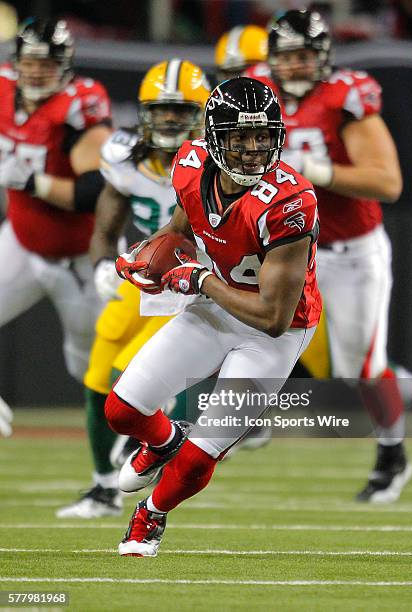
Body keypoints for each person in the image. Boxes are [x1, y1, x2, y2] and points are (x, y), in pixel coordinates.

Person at [104, 76, 321, 557]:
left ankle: (151, 515)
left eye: (262, 137)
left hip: (277, 332)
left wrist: (199, 280)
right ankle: (162, 442)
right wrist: (149, 254)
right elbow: (183, 227)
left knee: (203, 452)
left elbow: (272, 319)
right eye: (240, 138)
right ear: (214, 138)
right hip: (215, 308)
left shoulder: (289, 202)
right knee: (121, 410)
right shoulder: (189, 164)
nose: (251, 149)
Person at [245, 8, 412, 502]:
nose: (295, 66)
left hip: (349, 251)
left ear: (322, 57)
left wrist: (323, 170)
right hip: (288, 249)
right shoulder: (257, 91)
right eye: (287, 56)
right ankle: (237, 426)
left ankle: (392, 451)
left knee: (357, 371)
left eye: (304, 55)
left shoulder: (345, 98)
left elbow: (389, 182)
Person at [56, 59, 211, 519]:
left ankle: (159, 449)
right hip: (142, 277)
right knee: (98, 372)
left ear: (202, 115)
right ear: (143, 112)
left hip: (190, 281)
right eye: (160, 110)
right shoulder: (124, 156)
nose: (169, 119)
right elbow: (106, 224)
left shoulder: (217, 162)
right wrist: (103, 263)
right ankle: (103, 487)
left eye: (181, 110)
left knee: (128, 374)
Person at [0, 19, 112, 394]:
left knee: (88, 361)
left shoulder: (79, 104)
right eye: (29, 62)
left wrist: (33, 182)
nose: (35, 72)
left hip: (85, 255)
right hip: (22, 239)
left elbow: (94, 192)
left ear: (64, 66)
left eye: (45, 64)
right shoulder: (1, 87)